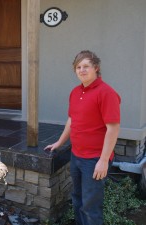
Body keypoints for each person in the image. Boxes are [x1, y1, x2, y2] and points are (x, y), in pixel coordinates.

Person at [44, 50, 121, 225]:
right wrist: (60, 142)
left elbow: (113, 128)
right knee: (77, 199)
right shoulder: (75, 92)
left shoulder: (106, 93)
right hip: (76, 155)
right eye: (78, 67)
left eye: (86, 66)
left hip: (94, 160)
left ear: (96, 68)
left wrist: (103, 160)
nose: (82, 70)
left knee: (90, 206)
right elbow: (72, 120)